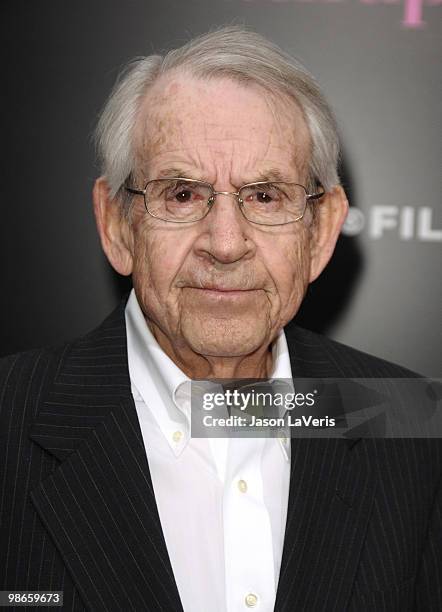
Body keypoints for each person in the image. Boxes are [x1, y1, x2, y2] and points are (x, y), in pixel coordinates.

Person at [1, 26, 440, 612]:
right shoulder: (9, 418)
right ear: (117, 224)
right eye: (182, 194)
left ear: (322, 231)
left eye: (265, 197)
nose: (226, 244)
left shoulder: (411, 426)